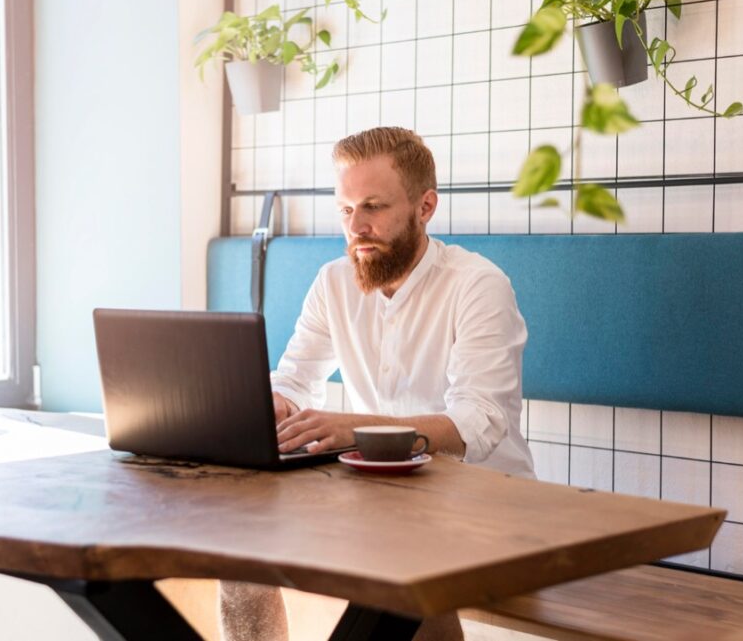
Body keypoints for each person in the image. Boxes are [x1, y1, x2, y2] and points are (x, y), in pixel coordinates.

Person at [220, 126, 535, 641]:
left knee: (405, 571)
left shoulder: (478, 285)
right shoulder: (333, 282)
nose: (356, 227)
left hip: (490, 508)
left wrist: (358, 430)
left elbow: (478, 423)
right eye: (345, 210)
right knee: (239, 555)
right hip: (382, 501)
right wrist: (268, 406)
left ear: (425, 206)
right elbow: (295, 379)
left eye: (373, 207)